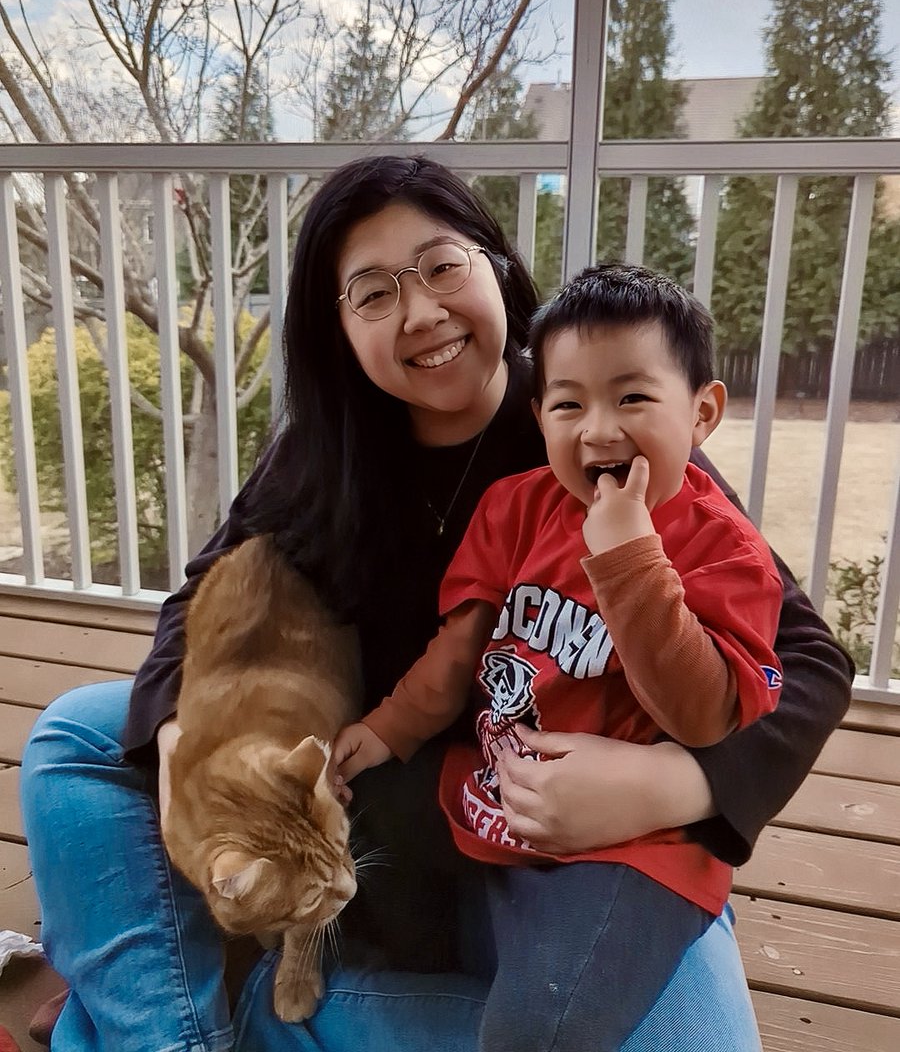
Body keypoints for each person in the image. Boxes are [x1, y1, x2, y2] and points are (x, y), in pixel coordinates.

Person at [19, 155, 852, 1052]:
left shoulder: (594, 414)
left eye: (443, 266)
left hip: (597, 836)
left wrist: (671, 784)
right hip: (388, 787)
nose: (421, 312)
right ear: (337, 326)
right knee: (82, 734)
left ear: (496, 266)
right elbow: (204, 592)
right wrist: (183, 733)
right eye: (372, 293)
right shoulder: (328, 444)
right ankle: (170, 1035)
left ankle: (234, 1007)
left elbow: (806, 658)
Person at [333, 263, 785, 1051]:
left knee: (545, 1026)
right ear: (539, 413)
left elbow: (703, 714)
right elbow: (461, 648)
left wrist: (631, 561)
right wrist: (386, 729)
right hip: (489, 798)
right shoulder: (516, 506)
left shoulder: (727, 553)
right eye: (569, 403)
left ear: (703, 411)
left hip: (630, 854)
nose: (598, 430)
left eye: (633, 398)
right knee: (346, 841)